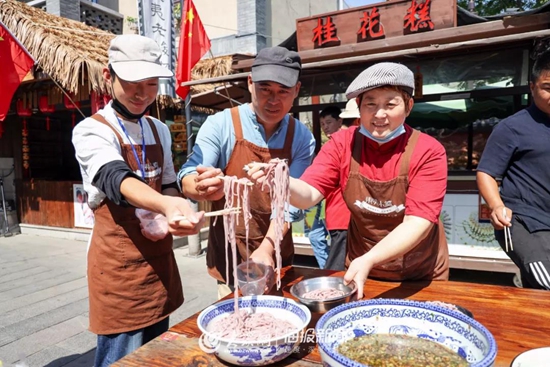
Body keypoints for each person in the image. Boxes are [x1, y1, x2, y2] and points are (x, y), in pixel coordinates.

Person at [248, 62, 449, 298]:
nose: (379, 114)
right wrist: (282, 181)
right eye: (370, 104)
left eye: (390, 104)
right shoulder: (342, 143)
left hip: (420, 272)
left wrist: (371, 258)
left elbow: (418, 222)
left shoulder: (428, 150)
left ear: (408, 106)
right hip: (361, 268)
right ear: (359, 107)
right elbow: (309, 195)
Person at [72, 35, 205, 367]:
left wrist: (177, 208)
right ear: (108, 76)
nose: (141, 93)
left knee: (155, 356)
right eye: (131, 82)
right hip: (119, 270)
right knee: (121, 359)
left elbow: (170, 183)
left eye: (150, 83)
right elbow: (114, 177)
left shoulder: (158, 129)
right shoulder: (91, 130)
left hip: (158, 264)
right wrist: (165, 205)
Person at [178, 46, 316, 297]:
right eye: (265, 89)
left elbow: (291, 204)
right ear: (250, 83)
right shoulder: (221, 124)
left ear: (296, 91)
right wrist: (201, 185)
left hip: (276, 256)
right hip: (228, 258)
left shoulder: (301, 138)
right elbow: (188, 174)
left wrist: (267, 248)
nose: (273, 100)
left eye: (283, 91)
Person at [477, 51, 550, 291]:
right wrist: (496, 205)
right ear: (532, 87)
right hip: (523, 221)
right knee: (546, 281)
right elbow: (486, 172)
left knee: (536, 295)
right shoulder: (512, 127)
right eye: (547, 87)